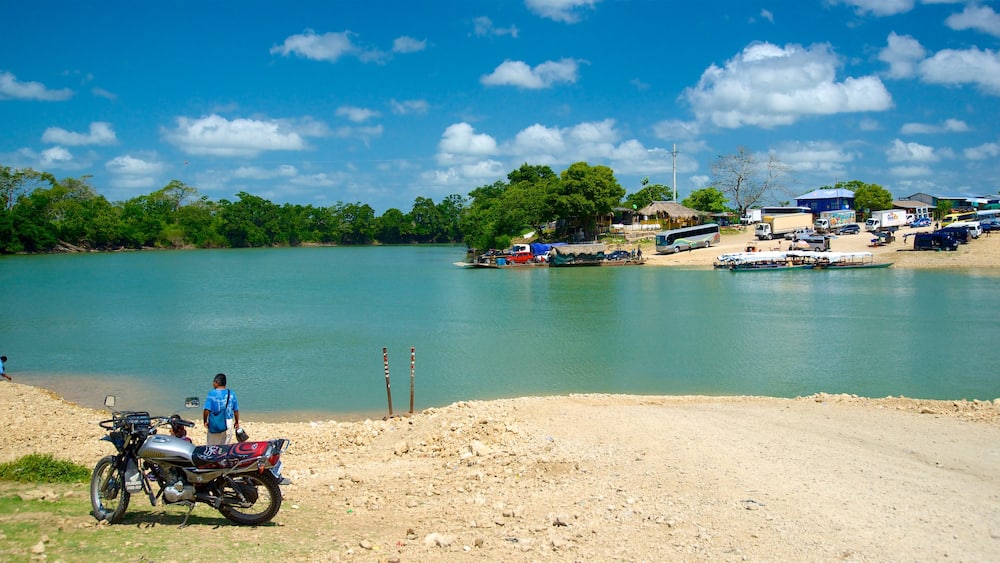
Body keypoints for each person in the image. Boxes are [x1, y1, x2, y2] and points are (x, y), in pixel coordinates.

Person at [203, 373, 240, 445]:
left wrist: (205, 421)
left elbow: (206, 410)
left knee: (212, 446)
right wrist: (236, 422)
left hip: (215, 422)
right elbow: (236, 410)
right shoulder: (231, 393)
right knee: (225, 446)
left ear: (217, 382)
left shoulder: (212, 393)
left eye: (214, 382)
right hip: (228, 422)